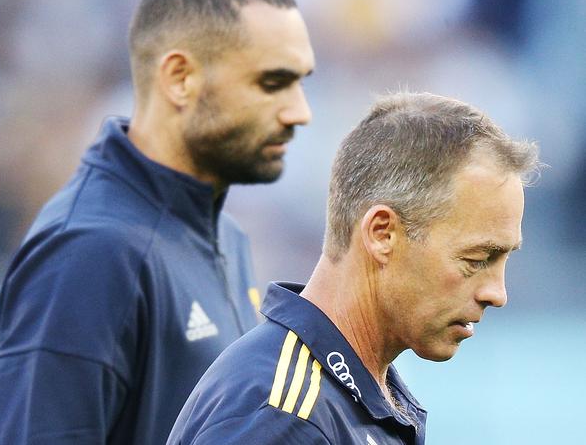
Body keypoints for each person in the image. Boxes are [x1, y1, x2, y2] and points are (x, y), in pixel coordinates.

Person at [0, 0, 314, 444]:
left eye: (301, 81)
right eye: (272, 83)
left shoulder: (225, 236)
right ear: (180, 78)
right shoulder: (90, 252)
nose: (299, 111)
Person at [167, 92, 540, 445]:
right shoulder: (284, 417)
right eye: (476, 260)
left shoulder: (355, 395)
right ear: (382, 234)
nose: (497, 293)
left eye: (506, 258)